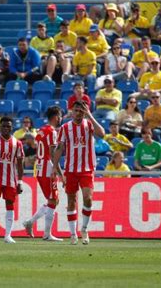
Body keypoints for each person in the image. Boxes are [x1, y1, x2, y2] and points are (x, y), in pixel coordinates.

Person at [52, 101, 105, 245]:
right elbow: (59, 149)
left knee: (88, 199)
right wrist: (55, 168)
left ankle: (84, 229)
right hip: (70, 170)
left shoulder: (89, 125)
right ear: (72, 111)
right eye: (76, 110)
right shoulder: (65, 128)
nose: (78, 113)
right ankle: (73, 234)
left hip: (87, 169)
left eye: (81, 111)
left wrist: (90, 115)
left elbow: (102, 134)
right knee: (71, 201)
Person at [22, 106, 63, 241]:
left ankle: (30, 222)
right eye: (60, 116)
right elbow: (52, 154)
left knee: (53, 200)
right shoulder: (52, 132)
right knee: (53, 200)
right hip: (48, 168)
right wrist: (60, 173)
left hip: (39, 167)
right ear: (56, 116)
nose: (61, 118)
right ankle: (46, 234)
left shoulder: (41, 130)